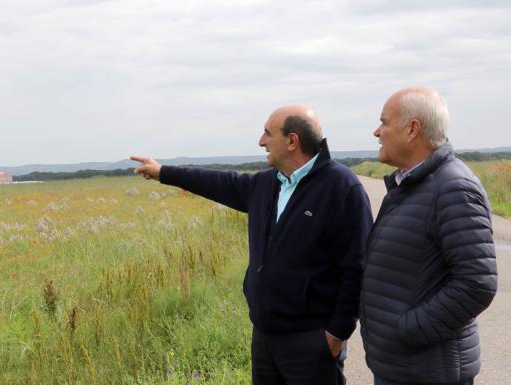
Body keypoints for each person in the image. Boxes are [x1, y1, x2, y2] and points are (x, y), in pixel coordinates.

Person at [132, 104, 373, 385]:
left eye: (267, 134)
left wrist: (336, 335)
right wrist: (163, 172)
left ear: (292, 141)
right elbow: (217, 182)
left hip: (311, 341)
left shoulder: (341, 187)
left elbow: (358, 268)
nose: (261, 141)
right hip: (265, 338)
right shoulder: (266, 184)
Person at [360, 87, 498, 385]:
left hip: (428, 371)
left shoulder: (453, 187)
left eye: (384, 122)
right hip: (401, 367)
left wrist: (407, 330)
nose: (376, 132)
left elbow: (477, 283)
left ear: (413, 129)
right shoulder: (410, 185)